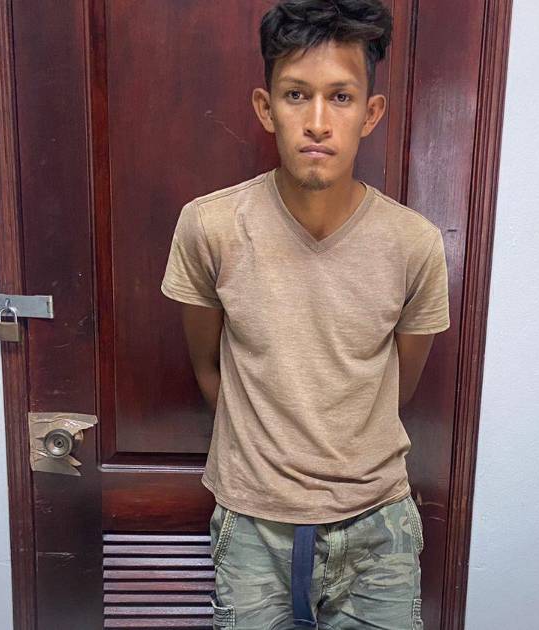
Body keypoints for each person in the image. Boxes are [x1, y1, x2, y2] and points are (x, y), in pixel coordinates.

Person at [160, 1, 450, 627]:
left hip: (379, 526)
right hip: (251, 525)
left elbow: (401, 384)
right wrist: (270, 459)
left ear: (370, 113)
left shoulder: (414, 244)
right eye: (297, 95)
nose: (317, 122)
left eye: (340, 97)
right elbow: (208, 368)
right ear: (266, 107)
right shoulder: (211, 227)